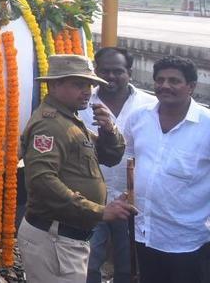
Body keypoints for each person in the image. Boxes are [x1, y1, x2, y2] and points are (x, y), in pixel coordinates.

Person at [19, 54, 136, 283]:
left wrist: (108, 130)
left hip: (65, 238)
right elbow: (42, 181)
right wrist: (99, 211)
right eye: (78, 84)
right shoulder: (50, 124)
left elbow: (110, 157)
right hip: (55, 238)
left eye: (90, 85)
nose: (87, 91)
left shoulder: (69, 120)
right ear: (54, 85)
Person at [119, 56, 210, 283]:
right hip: (144, 232)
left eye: (174, 81)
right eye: (159, 80)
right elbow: (130, 155)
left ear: (191, 86)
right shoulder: (140, 117)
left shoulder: (206, 125)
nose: (165, 86)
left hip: (187, 241)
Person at [78, 47, 158, 283]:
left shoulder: (150, 105)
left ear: (129, 73)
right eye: (105, 71)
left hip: (132, 201)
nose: (111, 77)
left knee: (129, 266)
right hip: (91, 198)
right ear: (96, 71)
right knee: (88, 264)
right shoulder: (82, 103)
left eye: (118, 71)